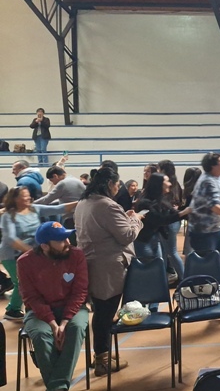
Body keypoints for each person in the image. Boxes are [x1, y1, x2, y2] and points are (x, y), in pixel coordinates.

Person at [74, 166, 143, 376]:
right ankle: (102, 360)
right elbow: (127, 235)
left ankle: (101, 355)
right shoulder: (107, 205)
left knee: (101, 312)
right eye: (117, 184)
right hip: (108, 267)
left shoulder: (84, 202)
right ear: (110, 184)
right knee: (105, 314)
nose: (117, 188)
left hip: (90, 263)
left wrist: (124, 218)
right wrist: (136, 220)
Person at [17, 221, 89, 391]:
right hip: (38, 312)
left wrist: (64, 322)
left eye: (67, 237)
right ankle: (59, 387)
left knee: (76, 328)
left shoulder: (76, 255)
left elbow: (80, 292)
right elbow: (31, 297)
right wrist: (52, 323)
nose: (68, 242)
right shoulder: (24, 262)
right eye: (61, 240)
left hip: (72, 308)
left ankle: (56, 387)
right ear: (45, 246)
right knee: (41, 335)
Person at [1, 187, 77, 320]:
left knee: (35, 280)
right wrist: (32, 253)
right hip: (11, 255)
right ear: (15, 199)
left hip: (32, 252)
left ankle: (32, 306)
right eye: (24, 196)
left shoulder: (34, 209)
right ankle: (12, 310)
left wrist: (80, 202)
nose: (27, 198)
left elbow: (59, 209)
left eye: (28, 196)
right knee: (21, 282)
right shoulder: (8, 216)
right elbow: (11, 239)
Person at [188, 152, 220, 290]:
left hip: (218, 228)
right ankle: (208, 295)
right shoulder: (207, 181)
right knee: (208, 266)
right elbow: (214, 206)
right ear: (212, 166)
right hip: (204, 231)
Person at [133, 173, 190, 288]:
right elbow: (160, 220)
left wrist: (186, 213)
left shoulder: (161, 199)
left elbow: (173, 213)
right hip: (143, 241)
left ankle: (156, 298)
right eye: (167, 181)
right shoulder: (145, 202)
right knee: (150, 271)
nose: (170, 184)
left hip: (154, 239)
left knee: (158, 269)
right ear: (159, 184)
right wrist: (183, 213)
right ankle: (147, 297)